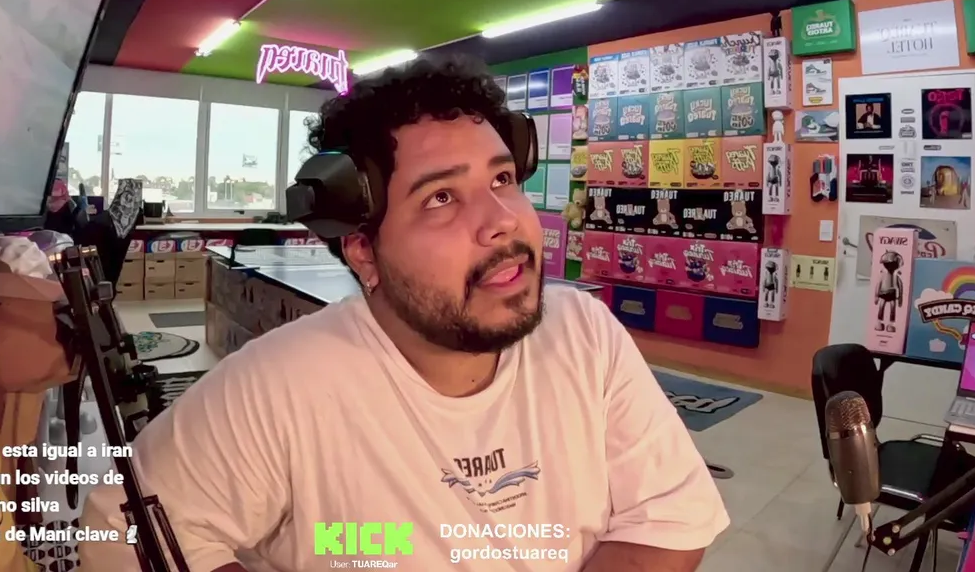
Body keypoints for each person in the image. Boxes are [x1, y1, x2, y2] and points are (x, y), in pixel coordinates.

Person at [80, 57, 728, 571]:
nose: (502, 222)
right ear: (364, 250)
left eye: (502, 180)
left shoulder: (586, 335)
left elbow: (669, 519)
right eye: (441, 197)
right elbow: (117, 528)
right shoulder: (281, 385)